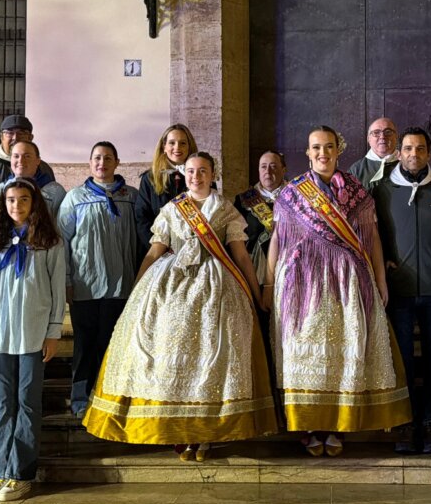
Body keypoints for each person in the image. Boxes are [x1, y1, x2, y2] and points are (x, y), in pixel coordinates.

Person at [84, 152, 275, 460]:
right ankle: (180, 429)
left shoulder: (225, 209)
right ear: (184, 174)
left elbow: (240, 255)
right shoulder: (172, 209)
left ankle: (206, 432)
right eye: (190, 171)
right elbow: (155, 250)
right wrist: (137, 289)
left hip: (216, 285)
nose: (196, 177)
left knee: (212, 357)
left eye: (202, 171)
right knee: (169, 354)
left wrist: (255, 291)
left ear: (213, 174)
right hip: (171, 284)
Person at [265, 128, 411, 456]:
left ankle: (336, 424)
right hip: (301, 284)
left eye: (328, 147)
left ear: (337, 151)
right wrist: (269, 283)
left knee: (341, 352)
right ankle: (309, 424)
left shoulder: (356, 189)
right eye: (316, 147)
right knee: (306, 353)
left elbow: (371, 237)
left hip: (346, 281)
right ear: (307, 152)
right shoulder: (291, 193)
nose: (323, 153)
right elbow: (278, 240)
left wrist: (380, 279)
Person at [374, 126, 431, 454]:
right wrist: (382, 258)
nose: (414, 154)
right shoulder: (381, 190)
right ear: (399, 153)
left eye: (420, 149)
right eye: (408, 149)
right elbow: (372, 231)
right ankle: (405, 421)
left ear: (429, 153)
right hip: (397, 290)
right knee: (403, 360)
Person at [0, 178, 66, 503]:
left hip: (33, 334)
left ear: (34, 203)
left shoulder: (49, 243)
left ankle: (21, 473)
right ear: (3, 205)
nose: (16, 206)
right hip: (0, 337)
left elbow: (57, 291)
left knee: (27, 402)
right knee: (5, 405)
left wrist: (53, 332)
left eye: (23, 200)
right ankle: (2, 471)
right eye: (11, 200)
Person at [57, 141, 140, 416]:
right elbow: (62, 242)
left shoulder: (132, 196)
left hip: (122, 285)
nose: (101, 163)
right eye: (96, 158)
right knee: (84, 345)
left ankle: (108, 398)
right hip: (85, 286)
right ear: (90, 163)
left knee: (113, 345)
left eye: (107, 158)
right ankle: (81, 399)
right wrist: (67, 280)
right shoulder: (75, 198)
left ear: (117, 162)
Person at [135, 123, 196, 254]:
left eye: (183, 143)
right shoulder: (150, 178)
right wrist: (159, 249)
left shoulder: (201, 176)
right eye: (172, 143)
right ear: (164, 146)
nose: (177, 147)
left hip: (192, 250)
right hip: (158, 250)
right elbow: (142, 218)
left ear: (190, 147)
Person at [234, 150, 286, 292]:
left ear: (283, 170)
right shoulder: (243, 201)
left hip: (288, 268)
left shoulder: (295, 198)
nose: (267, 171)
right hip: (255, 272)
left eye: (273, 166)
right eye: (263, 166)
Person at [0, 114, 57, 194]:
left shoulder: (43, 168)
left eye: (21, 133)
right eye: (9, 133)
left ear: (30, 138)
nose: (15, 138)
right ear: (1, 137)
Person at [0, 141, 67, 220]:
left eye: (27, 156)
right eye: (16, 156)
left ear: (38, 161)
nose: (21, 160)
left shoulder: (55, 191)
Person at [349, 117, 399, 188]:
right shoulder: (356, 170)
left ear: (396, 136)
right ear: (368, 139)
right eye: (376, 132)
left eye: (388, 132)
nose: (382, 137)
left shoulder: (408, 165)